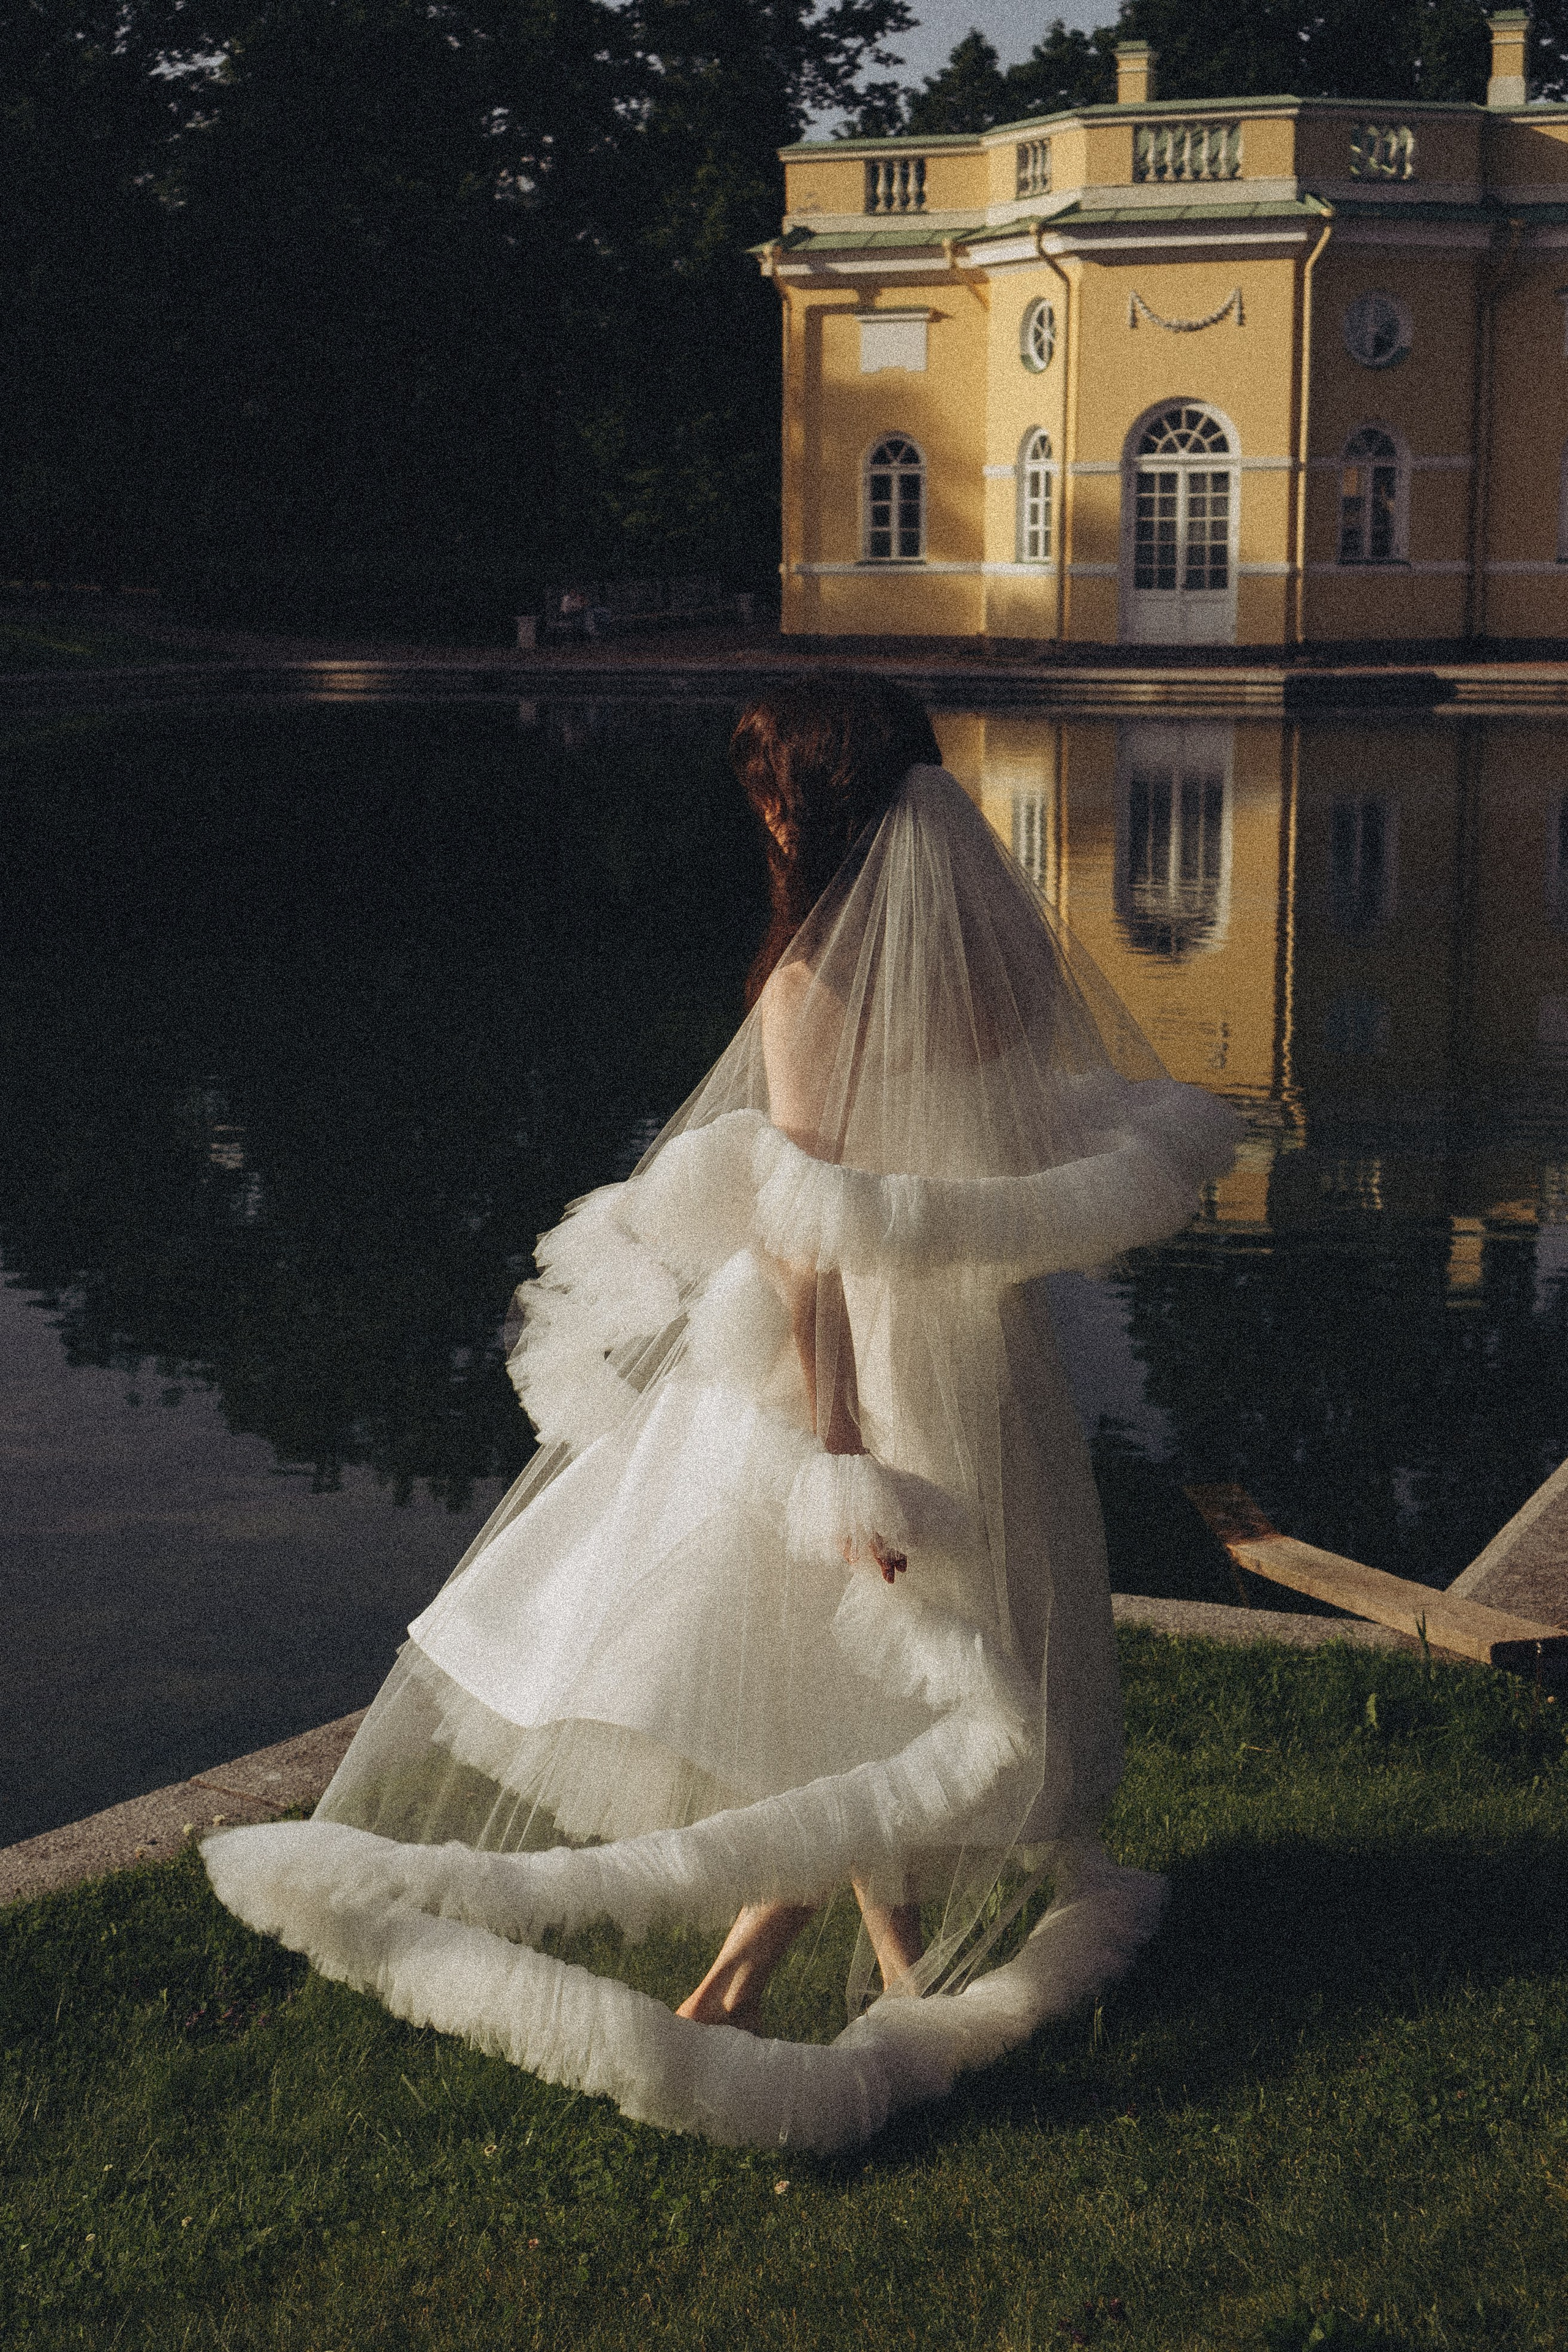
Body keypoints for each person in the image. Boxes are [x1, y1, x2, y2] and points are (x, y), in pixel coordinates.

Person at [203, 676, 1238, 2150]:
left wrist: (829, 1448)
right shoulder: (992, 960)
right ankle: (839, 1972)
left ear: (795, 808)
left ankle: (785, 1984)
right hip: (983, 1349)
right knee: (876, 1678)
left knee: (844, 1668)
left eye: (762, 787)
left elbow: (810, 1238)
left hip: (852, 1356)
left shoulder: (813, 985)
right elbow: (1005, 1151)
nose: (750, 808)